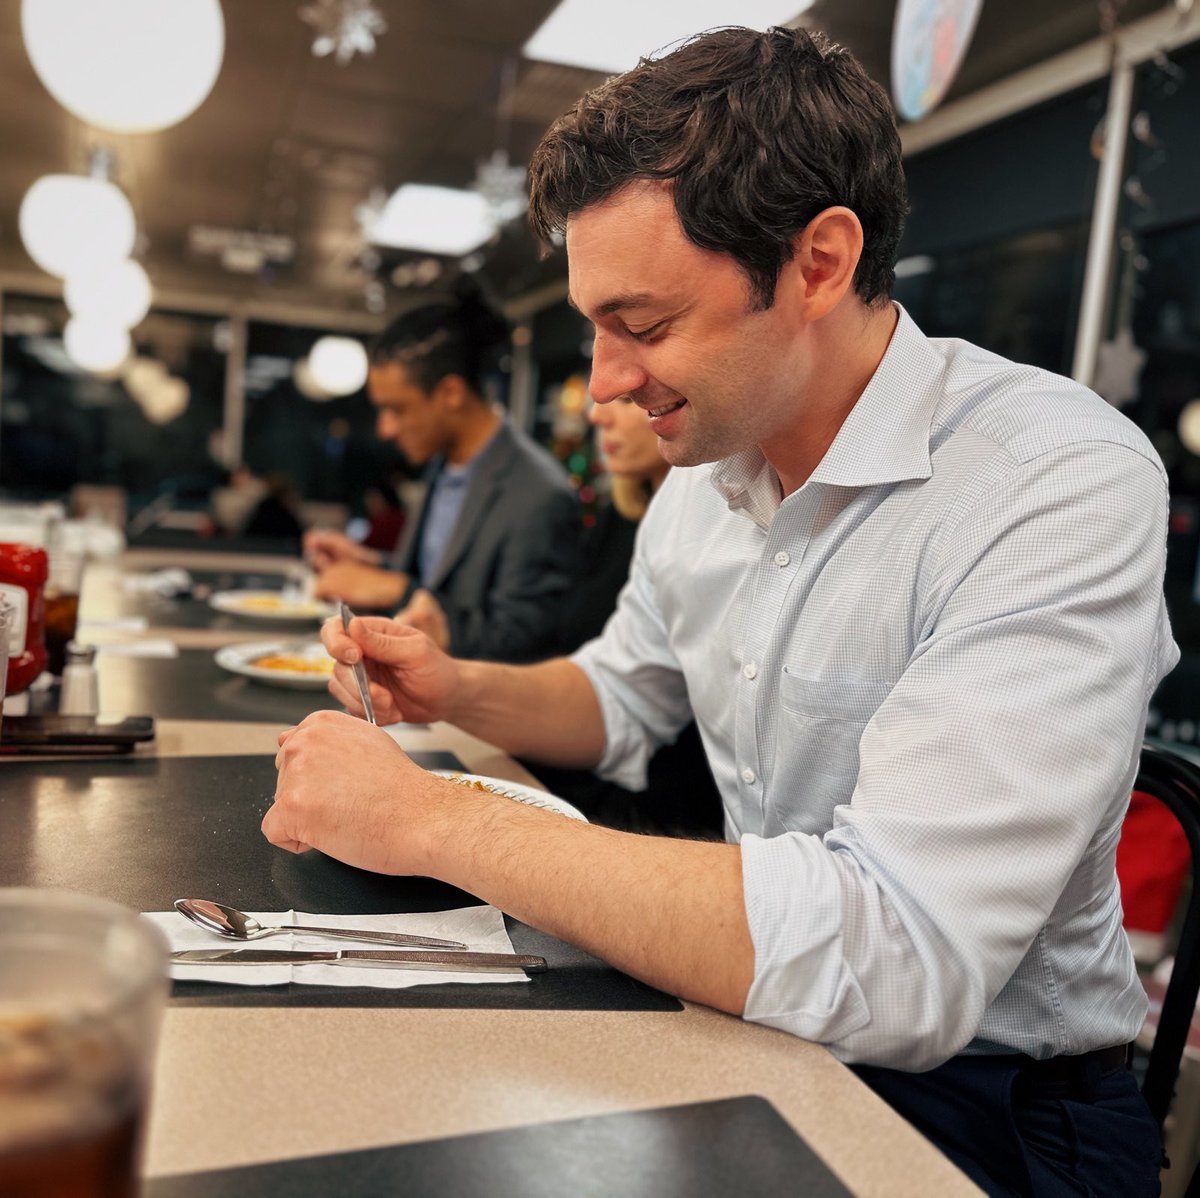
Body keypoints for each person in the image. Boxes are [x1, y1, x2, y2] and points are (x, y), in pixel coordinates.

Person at [266, 27, 1176, 1195]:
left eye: (641, 327)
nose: (601, 381)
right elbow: (623, 690)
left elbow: (900, 950)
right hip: (748, 1021)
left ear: (818, 261)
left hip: (992, 1106)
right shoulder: (706, 478)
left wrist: (438, 820)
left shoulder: (1054, 478)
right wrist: (458, 687)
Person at [305, 282, 580, 662]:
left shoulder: (539, 493)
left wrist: (392, 588)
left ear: (451, 393)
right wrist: (368, 563)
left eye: (397, 409)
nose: (385, 429)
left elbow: (525, 642)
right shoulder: (442, 464)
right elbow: (435, 581)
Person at [531, 393, 723, 838]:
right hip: (600, 758)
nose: (597, 415)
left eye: (627, 400)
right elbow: (594, 668)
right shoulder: (617, 519)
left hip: (671, 810)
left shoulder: (713, 531)